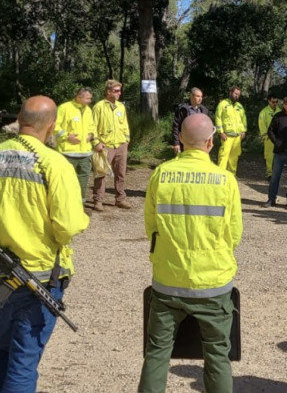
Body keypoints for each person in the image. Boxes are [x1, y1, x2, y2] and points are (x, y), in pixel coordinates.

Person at [0, 96, 90, 393]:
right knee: (23, 362)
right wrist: (83, 221)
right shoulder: (55, 163)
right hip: (38, 275)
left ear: (19, 117)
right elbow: (67, 225)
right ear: (52, 126)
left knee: (0, 349)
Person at [139, 113, 243, 393]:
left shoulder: (161, 174)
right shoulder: (225, 180)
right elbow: (234, 234)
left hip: (167, 281)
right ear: (211, 142)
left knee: (157, 353)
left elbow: (151, 226)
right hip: (213, 284)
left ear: (181, 140)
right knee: (218, 356)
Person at [93, 80, 131, 211]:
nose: (119, 93)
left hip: (120, 144)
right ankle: (98, 200)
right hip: (105, 145)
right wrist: (96, 143)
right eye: (116, 91)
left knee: (120, 173)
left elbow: (125, 124)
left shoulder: (121, 107)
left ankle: (120, 199)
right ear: (108, 91)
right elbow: (92, 127)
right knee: (101, 173)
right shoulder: (99, 107)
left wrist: (127, 139)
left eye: (120, 91)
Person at [55, 87, 97, 200]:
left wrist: (92, 134)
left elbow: (92, 126)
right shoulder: (64, 108)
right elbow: (55, 126)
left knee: (82, 183)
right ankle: (64, 207)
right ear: (79, 97)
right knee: (65, 182)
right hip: (67, 154)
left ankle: (80, 207)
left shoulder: (88, 110)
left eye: (90, 99)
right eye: (88, 98)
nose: (90, 101)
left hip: (85, 154)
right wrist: (67, 136)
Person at [214, 87, 247, 174]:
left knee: (234, 157)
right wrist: (221, 132)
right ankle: (221, 175)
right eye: (235, 94)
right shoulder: (222, 104)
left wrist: (244, 131)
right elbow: (218, 118)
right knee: (223, 156)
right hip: (227, 136)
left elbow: (243, 119)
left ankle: (232, 175)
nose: (237, 96)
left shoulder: (240, 106)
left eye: (238, 95)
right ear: (230, 93)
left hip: (237, 137)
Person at [172, 88, 209, 155]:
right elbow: (176, 127)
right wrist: (176, 143)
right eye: (198, 96)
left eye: (201, 96)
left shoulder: (204, 110)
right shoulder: (183, 109)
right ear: (191, 96)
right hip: (185, 143)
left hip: (200, 143)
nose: (200, 98)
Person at [258, 94, 280, 178]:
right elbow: (262, 125)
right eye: (273, 102)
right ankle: (270, 174)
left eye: (276, 102)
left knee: (278, 156)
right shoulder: (263, 112)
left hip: (278, 138)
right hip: (269, 138)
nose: (275, 103)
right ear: (269, 101)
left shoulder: (279, 111)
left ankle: (276, 173)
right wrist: (265, 136)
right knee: (269, 156)